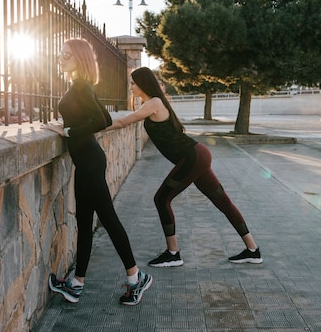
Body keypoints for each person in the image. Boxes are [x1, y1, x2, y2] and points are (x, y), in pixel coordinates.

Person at [107, 67, 262, 267]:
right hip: (197, 155)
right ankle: (253, 250)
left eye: (133, 83)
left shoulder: (153, 102)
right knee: (222, 202)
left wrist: (88, 127)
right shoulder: (154, 103)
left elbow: (121, 122)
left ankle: (173, 254)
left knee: (162, 199)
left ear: (143, 83)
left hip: (192, 157)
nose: (131, 87)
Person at [44, 39, 152, 305]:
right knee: (84, 222)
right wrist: (67, 125)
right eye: (60, 55)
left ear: (78, 58)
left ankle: (136, 278)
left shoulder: (81, 86)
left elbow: (102, 120)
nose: (61, 59)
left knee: (108, 220)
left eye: (66, 55)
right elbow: (99, 114)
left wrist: (68, 131)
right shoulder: (81, 85)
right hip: (86, 162)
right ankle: (77, 284)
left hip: (90, 162)